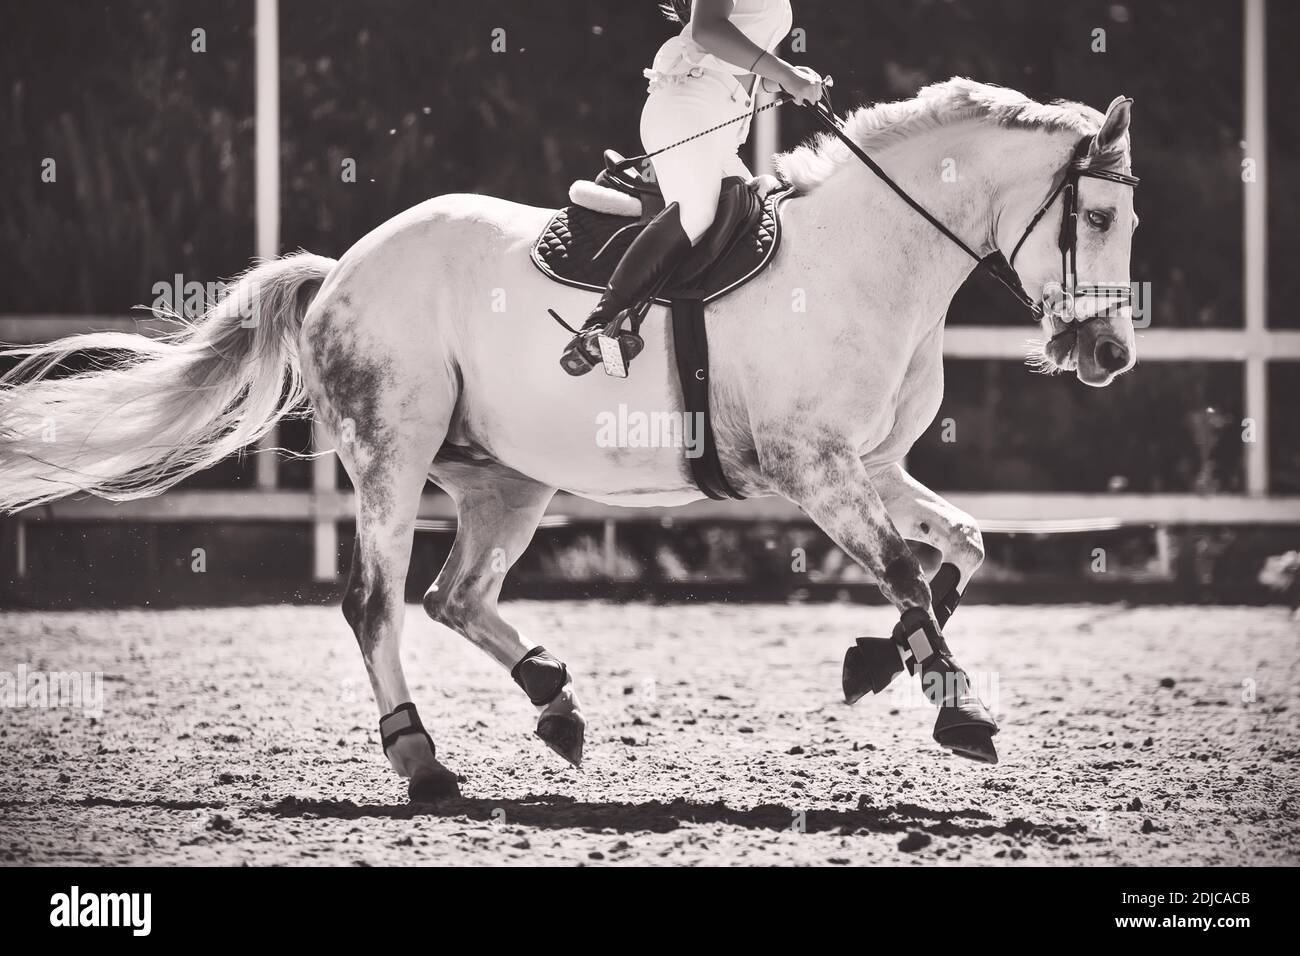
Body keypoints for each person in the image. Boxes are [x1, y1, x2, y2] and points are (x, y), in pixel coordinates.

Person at [560, 0, 824, 377]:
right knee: (697, 213)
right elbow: (707, 31)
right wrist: (785, 72)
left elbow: (739, 58)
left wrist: (781, 78)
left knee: (762, 210)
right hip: (689, 107)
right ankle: (597, 325)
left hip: (722, 123)